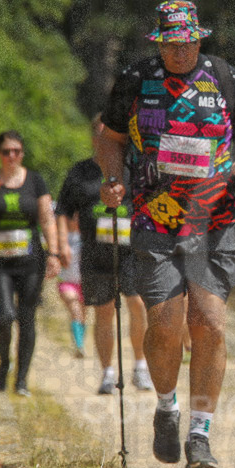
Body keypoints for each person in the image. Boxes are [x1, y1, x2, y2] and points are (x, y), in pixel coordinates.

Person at [96, 0, 235, 468]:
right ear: (160, 42)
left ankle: (200, 433)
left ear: (199, 39)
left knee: (209, 322)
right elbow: (109, 137)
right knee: (166, 326)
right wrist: (113, 178)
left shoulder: (224, 77)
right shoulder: (134, 79)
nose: (179, 51)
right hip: (155, 219)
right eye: (171, 44)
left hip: (217, 219)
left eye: (187, 42)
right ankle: (166, 406)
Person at [56, 117, 153, 395]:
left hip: (132, 251)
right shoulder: (80, 172)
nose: (104, 141)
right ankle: (108, 373)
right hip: (95, 253)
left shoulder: (134, 170)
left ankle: (140, 367)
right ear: (92, 139)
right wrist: (62, 244)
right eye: (99, 135)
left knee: (137, 305)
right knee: (104, 311)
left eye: (110, 136)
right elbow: (62, 210)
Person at [0, 130, 61, 396]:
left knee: (27, 318)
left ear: (22, 153)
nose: (12, 156)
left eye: (17, 151)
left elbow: (47, 218)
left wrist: (54, 253)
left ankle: (21, 379)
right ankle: (5, 364)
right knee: (4, 315)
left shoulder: (35, 181)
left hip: (31, 261)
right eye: (6, 152)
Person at [56, 210, 87, 358]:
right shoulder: (61, 237)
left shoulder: (86, 236)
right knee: (75, 310)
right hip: (66, 282)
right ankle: (78, 345)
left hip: (84, 283)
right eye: (72, 217)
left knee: (82, 315)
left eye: (78, 217)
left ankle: (80, 341)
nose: (75, 220)